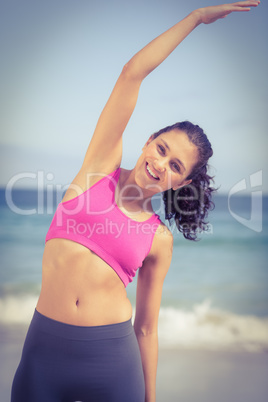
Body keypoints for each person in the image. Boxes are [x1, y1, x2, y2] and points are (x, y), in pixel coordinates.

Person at [11, 2, 260, 401]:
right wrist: (195, 18)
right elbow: (132, 72)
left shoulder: (159, 239)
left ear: (184, 181)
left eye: (176, 165)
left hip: (112, 364)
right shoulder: (97, 168)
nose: (161, 164)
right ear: (146, 141)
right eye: (160, 148)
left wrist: (151, 396)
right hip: (43, 355)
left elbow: (146, 328)